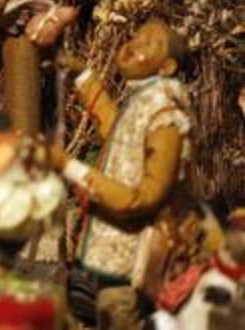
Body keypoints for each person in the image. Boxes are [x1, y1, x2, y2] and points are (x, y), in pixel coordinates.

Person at [50, 17, 194, 325]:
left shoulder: (166, 117)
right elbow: (115, 127)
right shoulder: (144, 102)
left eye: (149, 43)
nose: (135, 44)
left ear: (167, 67)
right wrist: (82, 74)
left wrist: (69, 166)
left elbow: (144, 197)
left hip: (133, 258)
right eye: (135, 37)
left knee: (117, 310)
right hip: (112, 251)